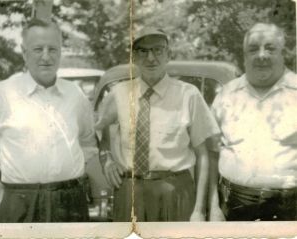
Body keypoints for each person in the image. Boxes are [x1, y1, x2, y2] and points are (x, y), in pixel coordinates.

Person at [0, 18, 97, 222]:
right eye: (38, 49)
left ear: (61, 51)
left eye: (52, 49)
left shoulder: (76, 95)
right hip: (20, 203)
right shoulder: (4, 93)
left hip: (70, 202)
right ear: (24, 51)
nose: (46, 56)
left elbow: (89, 142)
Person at [96, 27, 220, 221]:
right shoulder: (118, 94)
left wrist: (199, 209)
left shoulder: (189, 95)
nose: (151, 58)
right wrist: (107, 161)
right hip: (130, 192)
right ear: (134, 57)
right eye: (143, 51)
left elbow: (203, 154)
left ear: (168, 55)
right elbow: (100, 135)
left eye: (157, 50)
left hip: (175, 192)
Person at [209, 23, 297, 221]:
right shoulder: (226, 95)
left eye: (270, 48)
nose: (261, 55)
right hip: (234, 206)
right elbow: (211, 154)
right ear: (245, 56)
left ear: (283, 54)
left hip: (290, 210)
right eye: (253, 49)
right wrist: (214, 207)